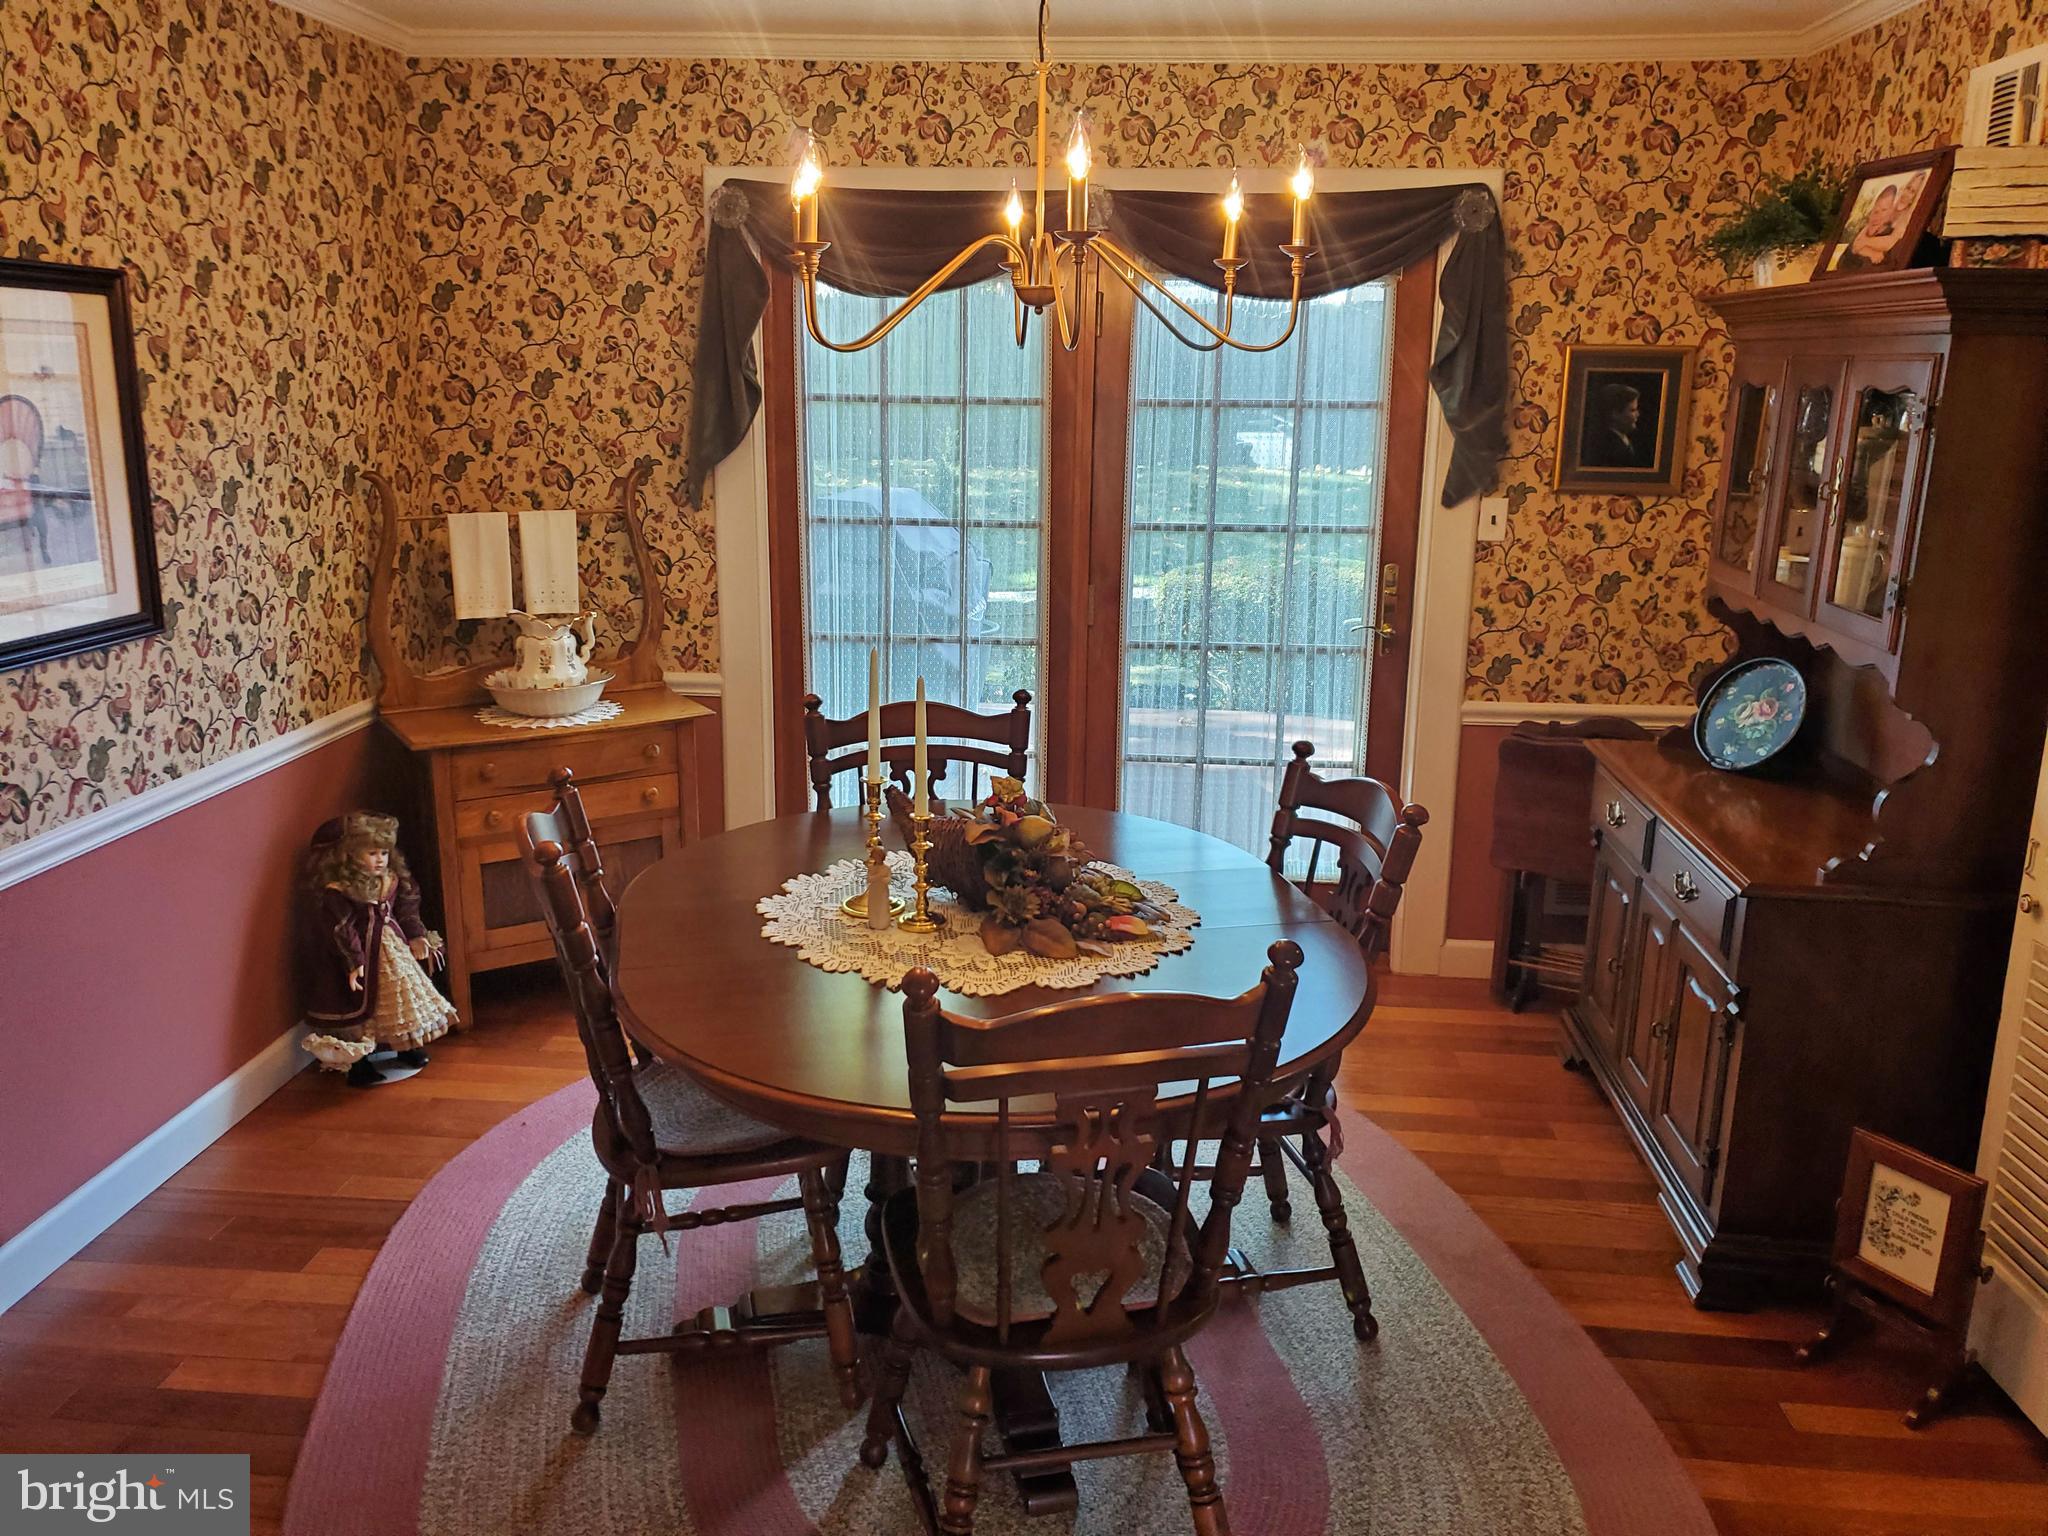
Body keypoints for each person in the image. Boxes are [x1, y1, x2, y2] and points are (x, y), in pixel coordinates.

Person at [300, 811, 458, 1085]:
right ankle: (359, 1062)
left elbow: (408, 907)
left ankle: (406, 1046)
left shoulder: (391, 879)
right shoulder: (339, 891)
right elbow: (341, 928)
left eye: (384, 853)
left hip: (392, 949)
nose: (380, 860)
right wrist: (354, 960)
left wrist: (416, 935)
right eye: (372, 853)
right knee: (358, 1009)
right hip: (359, 955)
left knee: (401, 996)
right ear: (348, 856)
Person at [1580, 381, 1653, 469]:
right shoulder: (1607, 447)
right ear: (1615, 414)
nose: (1638, 414)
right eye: (1632, 410)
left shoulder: (1624, 441)